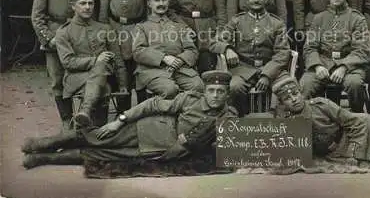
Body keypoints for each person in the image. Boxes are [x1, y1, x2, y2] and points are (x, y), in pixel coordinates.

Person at [21, 71, 238, 169]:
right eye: (212, 90)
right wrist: (120, 120)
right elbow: (152, 104)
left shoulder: (229, 117)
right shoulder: (190, 100)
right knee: (99, 137)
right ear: (205, 91)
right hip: (149, 129)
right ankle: (44, 143)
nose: (216, 95)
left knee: (103, 155)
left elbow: (221, 146)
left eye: (221, 91)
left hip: (158, 150)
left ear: (227, 94)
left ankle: (44, 159)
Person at [31, 0, 93, 131]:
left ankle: (84, 119)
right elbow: (37, 17)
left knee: (85, 75)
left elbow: (90, 11)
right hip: (56, 35)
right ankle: (66, 120)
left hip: (79, 34)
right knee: (58, 79)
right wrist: (49, 38)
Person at [210, 0, 291, 116]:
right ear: (247, 0)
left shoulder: (276, 23)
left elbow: (283, 53)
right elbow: (214, 42)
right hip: (243, 69)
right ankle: (241, 119)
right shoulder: (237, 21)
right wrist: (227, 48)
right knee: (234, 86)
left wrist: (267, 75)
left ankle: (278, 121)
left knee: (286, 86)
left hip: (270, 67)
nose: (256, 0)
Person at [55, 0, 128, 128]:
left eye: (90, 3)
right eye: (82, 3)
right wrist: (96, 60)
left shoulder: (105, 28)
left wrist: (123, 84)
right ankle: (97, 132)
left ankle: (86, 113)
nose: (87, 7)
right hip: (76, 78)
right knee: (102, 74)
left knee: (104, 77)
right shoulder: (64, 32)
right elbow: (68, 62)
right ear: (73, 6)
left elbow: (118, 59)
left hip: (102, 77)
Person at [300, 0, 370, 112]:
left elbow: (362, 50)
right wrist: (318, 66)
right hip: (323, 63)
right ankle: (310, 122)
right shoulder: (319, 18)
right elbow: (310, 48)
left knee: (355, 83)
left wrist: (344, 67)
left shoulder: (357, 19)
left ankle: (356, 118)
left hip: (350, 66)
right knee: (305, 84)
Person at [98, 0, 152, 111]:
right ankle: (123, 116)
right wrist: (105, 33)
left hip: (138, 30)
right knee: (120, 75)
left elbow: (149, 12)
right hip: (115, 29)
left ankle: (142, 115)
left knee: (140, 73)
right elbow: (103, 13)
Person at [132, 0, 204, 102]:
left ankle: (187, 118)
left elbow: (192, 50)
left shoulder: (179, 26)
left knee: (197, 86)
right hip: (152, 72)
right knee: (169, 89)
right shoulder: (141, 27)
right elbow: (138, 51)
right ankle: (164, 120)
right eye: (157, 0)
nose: (161, 3)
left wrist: (180, 60)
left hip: (180, 70)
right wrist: (164, 58)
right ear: (149, 3)